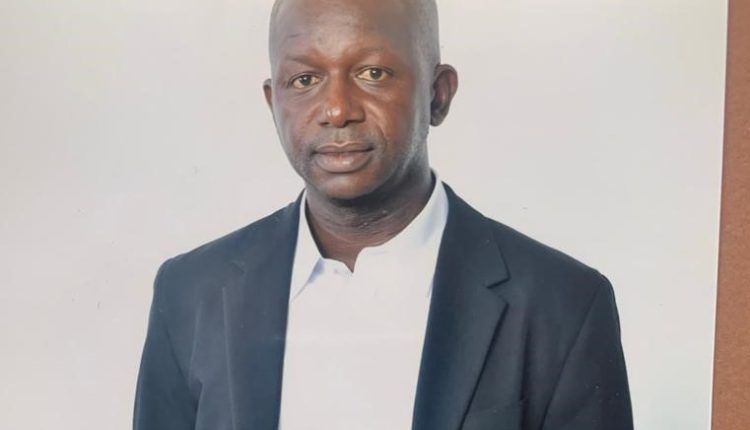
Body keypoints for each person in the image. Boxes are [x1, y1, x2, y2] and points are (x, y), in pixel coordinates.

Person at [133, 0, 633, 428]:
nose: (336, 109)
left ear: (438, 94)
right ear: (273, 102)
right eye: (304, 79)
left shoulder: (562, 305)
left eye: (372, 73)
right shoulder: (190, 292)